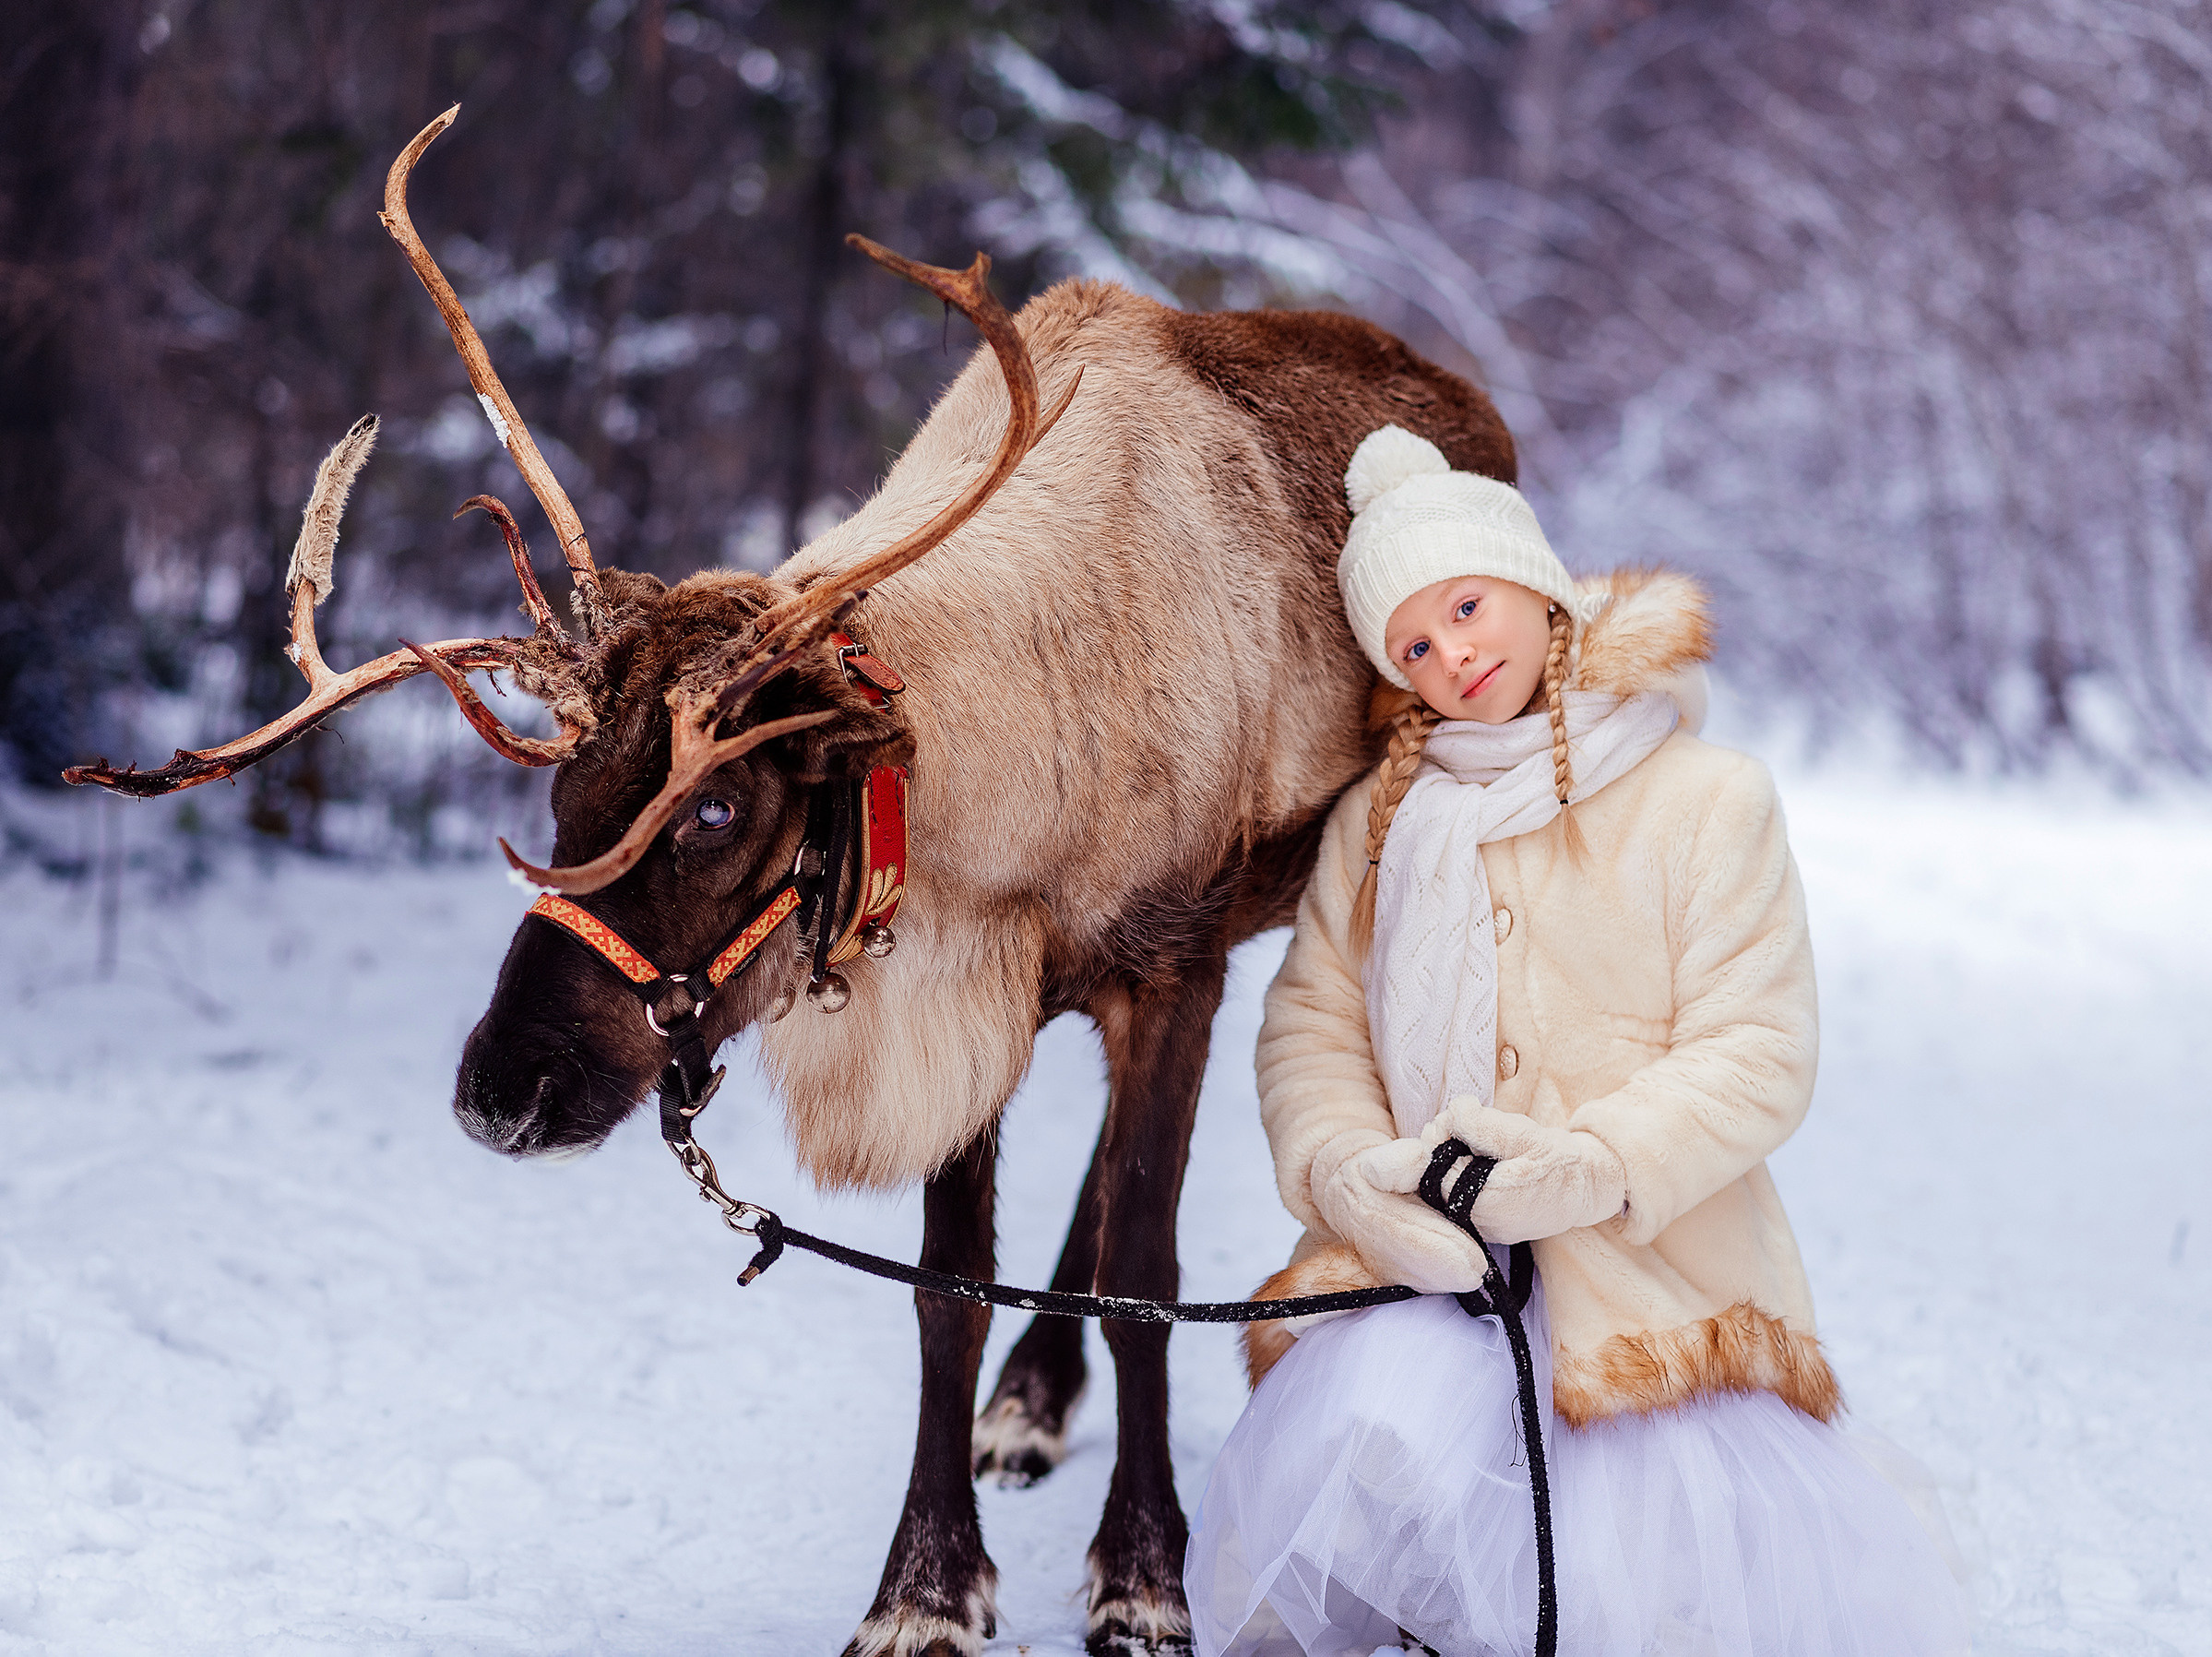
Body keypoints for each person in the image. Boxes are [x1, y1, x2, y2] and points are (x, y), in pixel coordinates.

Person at [1183, 425, 1970, 1656]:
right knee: (1376, 1460)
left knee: (1637, 1598)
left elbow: (1758, 1045)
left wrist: (1588, 1164)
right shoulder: (1380, 828)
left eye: (1464, 606)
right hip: (1436, 1285)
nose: (1452, 655)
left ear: (1533, 584)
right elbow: (1312, 1027)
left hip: (1648, 1295)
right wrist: (1349, 1171)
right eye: (1414, 645)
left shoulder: (1706, 799)